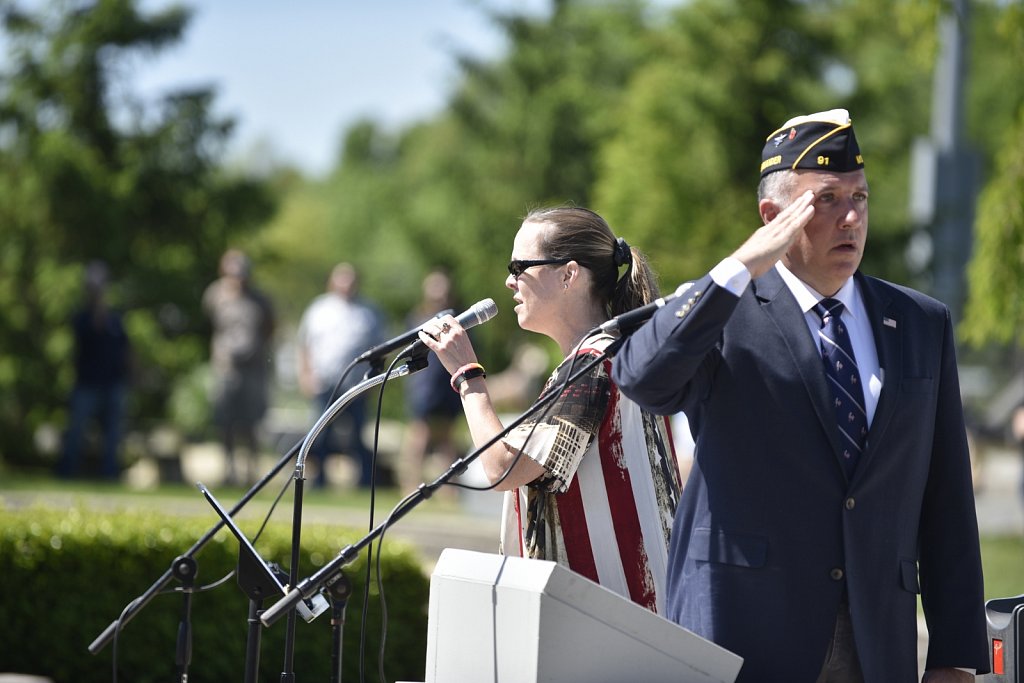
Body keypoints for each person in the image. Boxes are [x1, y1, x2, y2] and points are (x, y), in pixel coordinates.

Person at [612, 109, 988, 681]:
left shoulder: (918, 322)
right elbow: (643, 378)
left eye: (860, 197)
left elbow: (947, 501)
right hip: (744, 634)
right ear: (773, 216)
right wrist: (741, 265)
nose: (852, 217)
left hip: (874, 641)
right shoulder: (723, 313)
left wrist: (956, 656)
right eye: (828, 199)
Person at [419, 206, 683, 615]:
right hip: (619, 618)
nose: (509, 280)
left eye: (520, 266)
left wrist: (467, 376)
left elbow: (502, 468)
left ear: (568, 275)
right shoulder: (615, 354)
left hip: (614, 622)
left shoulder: (595, 363)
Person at [296, 262, 384, 488]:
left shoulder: (369, 312)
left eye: (350, 279)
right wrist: (305, 375)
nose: (346, 284)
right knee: (320, 434)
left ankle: (365, 481)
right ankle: (319, 480)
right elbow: (304, 344)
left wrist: (375, 380)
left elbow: (382, 348)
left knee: (357, 434)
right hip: (324, 382)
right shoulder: (318, 309)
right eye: (341, 279)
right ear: (331, 281)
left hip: (357, 384)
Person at [202, 249, 275, 486]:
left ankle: (251, 472)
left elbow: (270, 327)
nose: (239, 277)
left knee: (251, 422)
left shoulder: (260, 299)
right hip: (226, 368)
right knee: (226, 422)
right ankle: (228, 470)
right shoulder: (214, 295)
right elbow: (210, 324)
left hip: (253, 369)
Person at [57, 260, 132, 480]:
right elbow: (94, 328)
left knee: (112, 436)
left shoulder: (115, 319)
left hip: (113, 384)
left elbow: (126, 349)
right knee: (77, 432)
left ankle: (109, 474)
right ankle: (67, 471)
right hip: (87, 384)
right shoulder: (81, 318)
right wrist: (99, 302)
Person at [397, 269, 465, 491]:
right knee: (419, 437)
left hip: (448, 383)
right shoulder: (417, 319)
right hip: (424, 386)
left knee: (447, 438)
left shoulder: (458, 321)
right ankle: (410, 486)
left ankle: (449, 489)